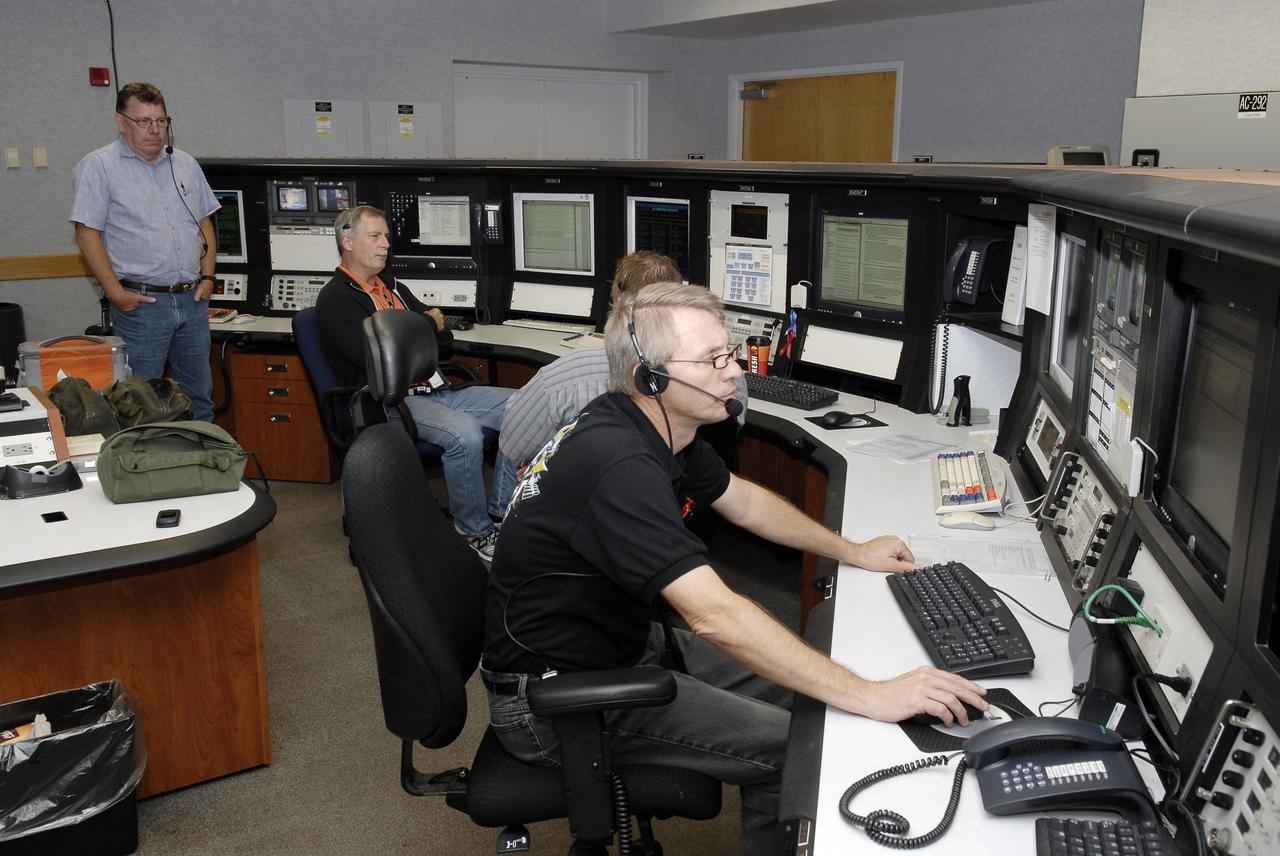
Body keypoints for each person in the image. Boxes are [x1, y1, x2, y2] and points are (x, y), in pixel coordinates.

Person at [482, 282, 987, 856]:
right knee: (796, 748)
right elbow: (715, 615)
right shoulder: (617, 463)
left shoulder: (655, 426)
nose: (735, 371)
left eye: (732, 351)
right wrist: (872, 695)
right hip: (552, 700)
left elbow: (742, 500)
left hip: (617, 643)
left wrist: (850, 550)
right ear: (652, 377)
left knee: (818, 687)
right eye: (714, 359)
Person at [316, 205, 512, 561]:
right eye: (374, 236)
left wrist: (421, 330)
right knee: (464, 434)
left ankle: (500, 513)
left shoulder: (393, 287)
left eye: (387, 236)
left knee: (524, 407)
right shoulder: (336, 300)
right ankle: (475, 532)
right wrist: (425, 327)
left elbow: (443, 338)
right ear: (347, 241)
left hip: (436, 389)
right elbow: (379, 359)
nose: (385, 244)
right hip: (388, 402)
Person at [493, 251, 747, 509]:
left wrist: (543, 461)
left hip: (597, 510)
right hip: (704, 508)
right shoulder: (728, 373)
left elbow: (512, 444)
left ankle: (494, 529)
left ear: (618, 303)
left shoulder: (569, 375)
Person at [70, 82, 219, 421]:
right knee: (140, 405)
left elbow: (204, 223)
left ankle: (201, 466)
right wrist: (116, 294)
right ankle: (147, 469)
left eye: (161, 121)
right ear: (121, 122)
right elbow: (87, 234)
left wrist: (208, 277)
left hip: (192, 302)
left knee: (200, 399)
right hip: (142, 305)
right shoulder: (98, 167)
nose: (155, 130)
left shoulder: (184, 164)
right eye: (144, 121)